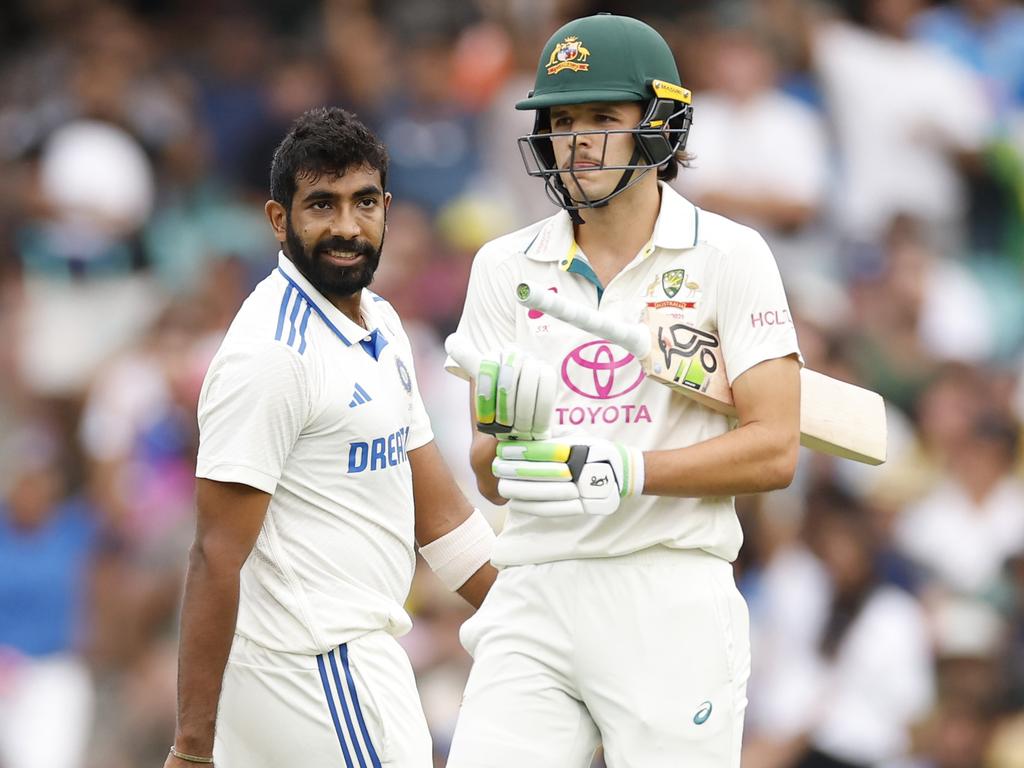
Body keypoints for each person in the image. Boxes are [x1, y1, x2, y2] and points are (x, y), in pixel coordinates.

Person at [444, 14, 802, 768]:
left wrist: (629, 471)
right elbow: (490, 476)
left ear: (660, 123)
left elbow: (775, 448)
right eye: (562, 119)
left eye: (603, 117)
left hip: (667, 590)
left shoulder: (730, 256)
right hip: (534, 590)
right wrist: (505, 439)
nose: (577, 139)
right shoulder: (503, 266)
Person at [164, 107, 496, 768]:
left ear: (387, 209)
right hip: (319, 671)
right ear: (279, 219)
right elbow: (214, 556)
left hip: (345, 666)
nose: (347, 227)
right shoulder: (272, 351)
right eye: (322, 204)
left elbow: (441, 517)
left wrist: (533, 619)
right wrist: (192, 747)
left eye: (363, 203)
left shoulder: (383, 324)